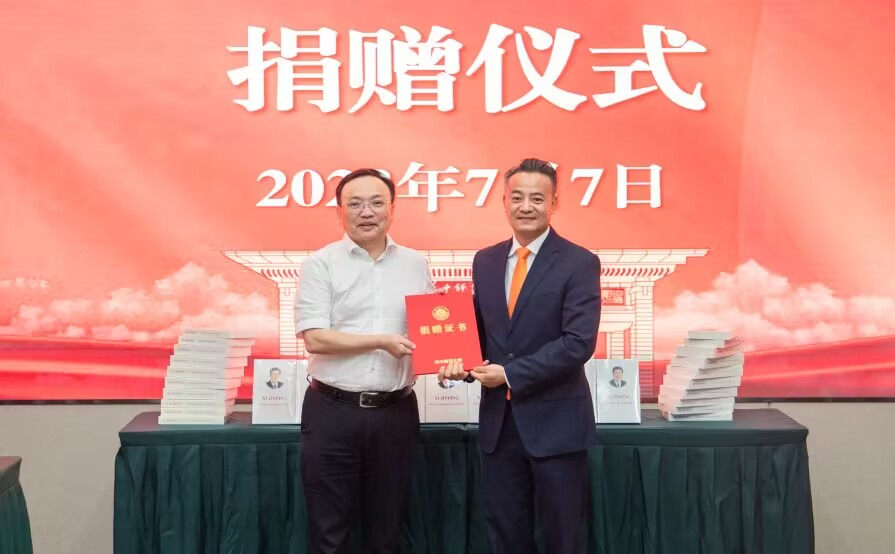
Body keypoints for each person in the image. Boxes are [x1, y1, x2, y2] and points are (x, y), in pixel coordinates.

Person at [442, 158, 601, 553]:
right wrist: (459, 363)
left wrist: (510, 374)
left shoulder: (579, 262)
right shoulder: (486, 260)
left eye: (537, 198)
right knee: (505, 535)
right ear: (504, 201)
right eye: (517, 197)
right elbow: (483, 336)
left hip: (557, 427)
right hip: (500, 428)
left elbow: (578, 342)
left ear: (554, 203)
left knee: (563, 538)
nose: (526, 206)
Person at [295, 168, 435, 553]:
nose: (367, 212)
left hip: (396, 413)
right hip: (332, 412)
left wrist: (451, 360)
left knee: (387, 533)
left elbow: (431, 329)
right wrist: (379, 341)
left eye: (376, 202)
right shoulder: (320, 264)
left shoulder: (414, 264)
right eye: (355, 204)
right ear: (339, 211)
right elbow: (315, 338)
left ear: (392, 208)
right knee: (329, 534)